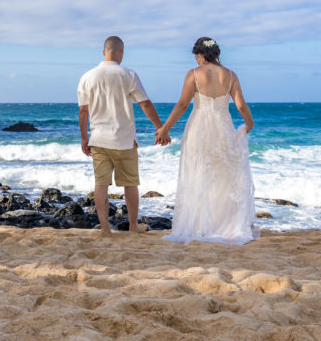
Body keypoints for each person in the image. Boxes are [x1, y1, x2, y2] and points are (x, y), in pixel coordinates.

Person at [155, 37, 258, 244]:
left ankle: (201, 225)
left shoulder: (193, 74)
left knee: (198, 174)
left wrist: (165, 129)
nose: (195, 59)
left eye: (196, 55)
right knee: (223, 178)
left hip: (199, 128)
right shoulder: (230, 75)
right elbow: (241, 106)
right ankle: (223, 224)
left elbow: (183, 105)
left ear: (201, 54)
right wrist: (249, 123)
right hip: (223, 129)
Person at [78, 36, 163, 235]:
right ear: (121, 53)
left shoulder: (87, 77)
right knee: (130, 184)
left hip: (99, 139)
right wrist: (160, 127)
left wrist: (84, 138)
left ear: (103, 52)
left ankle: (105, 228)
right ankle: (133, 226)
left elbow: (83, 111)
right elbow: (145, 104)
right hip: (124, 139)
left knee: (101, 184)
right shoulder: (129, 74)